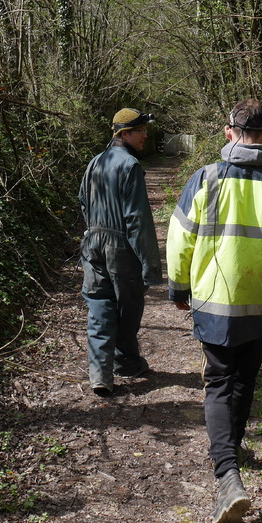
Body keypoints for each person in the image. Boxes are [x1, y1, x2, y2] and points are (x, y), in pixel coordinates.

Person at [166, 98, 262, 523]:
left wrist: (179, 288)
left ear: (229, 132)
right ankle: (234, 446)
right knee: (245, 378)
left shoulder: (205, 179)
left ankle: (228, 474)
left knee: (218, 382)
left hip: (213, 304)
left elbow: (180, 239)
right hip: (260, 304)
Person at [79, 108, 163, 397]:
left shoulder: (94, 163)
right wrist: (151, 267)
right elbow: (137, 219)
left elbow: (82, 201)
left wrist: (94, 233)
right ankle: (126, 363)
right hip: (120, 246)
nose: (145, 135)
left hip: (91, 242)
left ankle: (100, 373)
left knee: (100, 305)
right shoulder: (130, 166)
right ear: (124, 134)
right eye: (140, 130)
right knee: (128, 307)